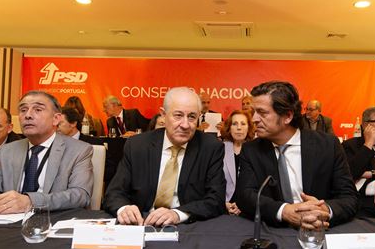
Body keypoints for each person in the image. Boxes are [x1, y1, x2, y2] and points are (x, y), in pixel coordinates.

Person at [235, 81, 358, 229]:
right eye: (254, 112)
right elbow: (245, 196)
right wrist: (284, 211)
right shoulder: (251, 150)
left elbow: (349, 197)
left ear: (287, 116)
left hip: (319, 232)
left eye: (262, 113)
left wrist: (324, 209)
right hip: (272, 233)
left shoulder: (328, 146)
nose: (254, 119)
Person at [103, 87, 226, 226]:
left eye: (192, 117)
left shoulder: (210, 148)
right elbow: (114, 192)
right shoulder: (137, 145)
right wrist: (124, 209)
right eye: (178, 115)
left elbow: (216, 200)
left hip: (187, 226)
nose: (185, 125)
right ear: (163, 114)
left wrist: (177, 214)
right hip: (142, 222)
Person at [0, 91, 93, 213]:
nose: (28, 115)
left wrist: (30, 201)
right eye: (23, 110)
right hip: (10, 224)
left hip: (52, 222)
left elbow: (80, 195)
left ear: (56, 119)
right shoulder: (8, 150)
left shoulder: (79, 150)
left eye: (38, 109)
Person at [221, 109, 255, 215]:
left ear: (249, 127)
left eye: (243, 124)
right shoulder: (220, 149)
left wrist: (244, 205)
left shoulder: (256, 150)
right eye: (234, 124)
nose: (239, 128)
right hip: (224, 207)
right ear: (229, 128)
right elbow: (214, 182)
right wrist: (224, 203)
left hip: (249, 209)